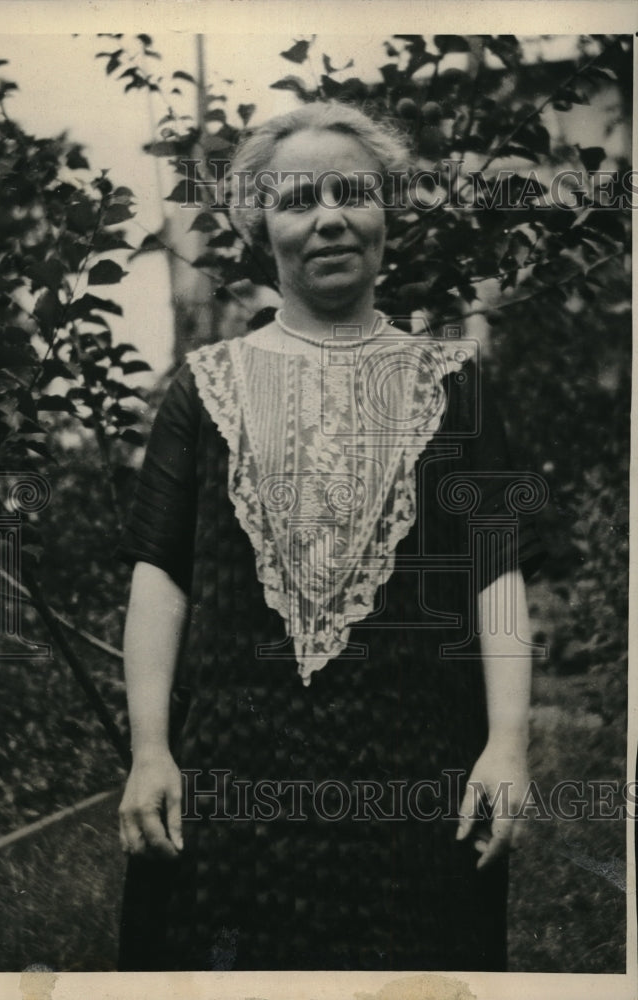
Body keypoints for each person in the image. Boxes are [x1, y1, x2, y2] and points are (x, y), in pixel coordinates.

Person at [116, 101, 545, 971]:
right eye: (297, 198)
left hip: (420, 771)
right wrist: (152, 752)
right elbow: (160, 575)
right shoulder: (206, 388)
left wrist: (506, 744)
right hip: (236, 775)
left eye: (353, 192)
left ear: (388, 210)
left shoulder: (453, 385)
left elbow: (495, 576)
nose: (330, 217)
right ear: (257, 227)